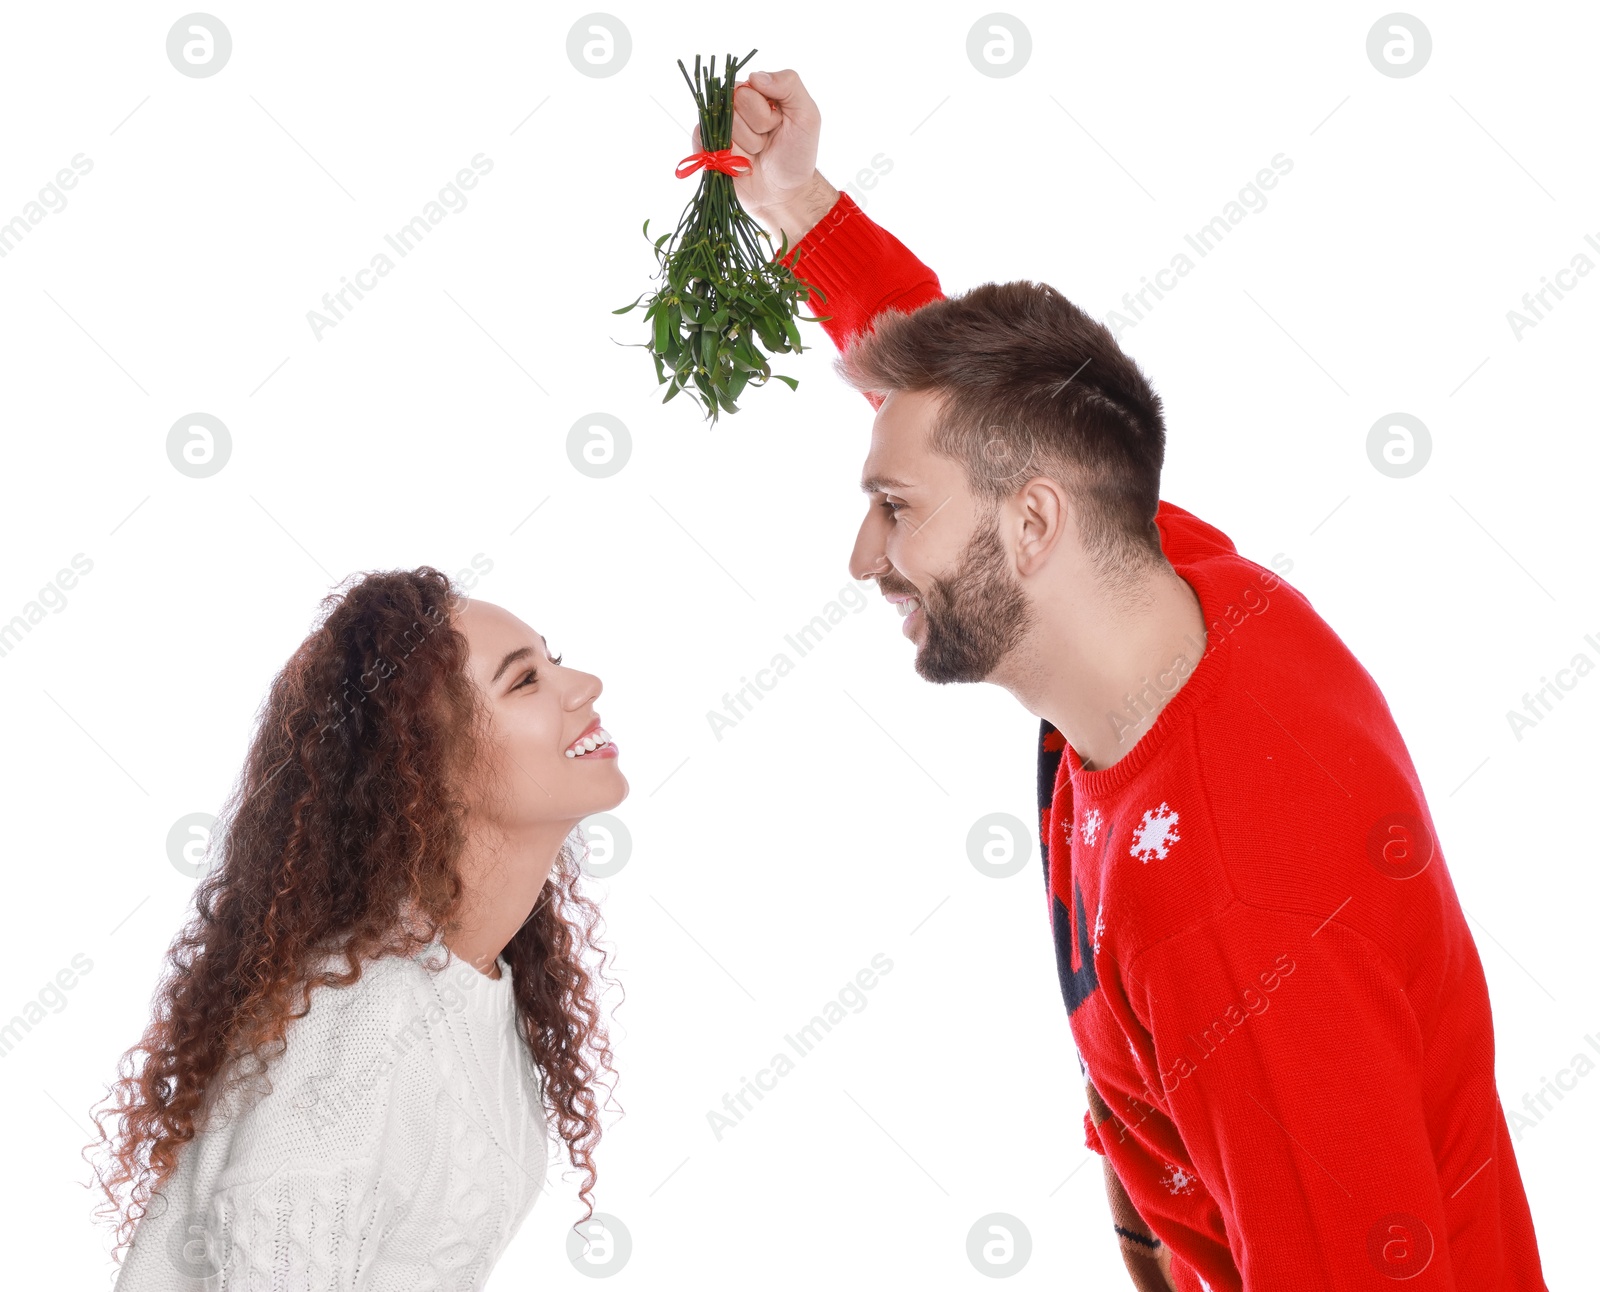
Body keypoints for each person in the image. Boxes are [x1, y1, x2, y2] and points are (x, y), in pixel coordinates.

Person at [691, 70, 1552, 1292]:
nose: (862, 558)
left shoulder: (1234, 916)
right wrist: (795, 205)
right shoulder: (1153, 568)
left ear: (1032, 523)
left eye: (891, 512)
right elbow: (963, 403)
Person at [85, 568, 622, 1288]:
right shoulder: (367, 1014)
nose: (584, 683)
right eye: (524, 682)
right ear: (429, 768)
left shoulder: (474, 984)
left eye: (552, 661)